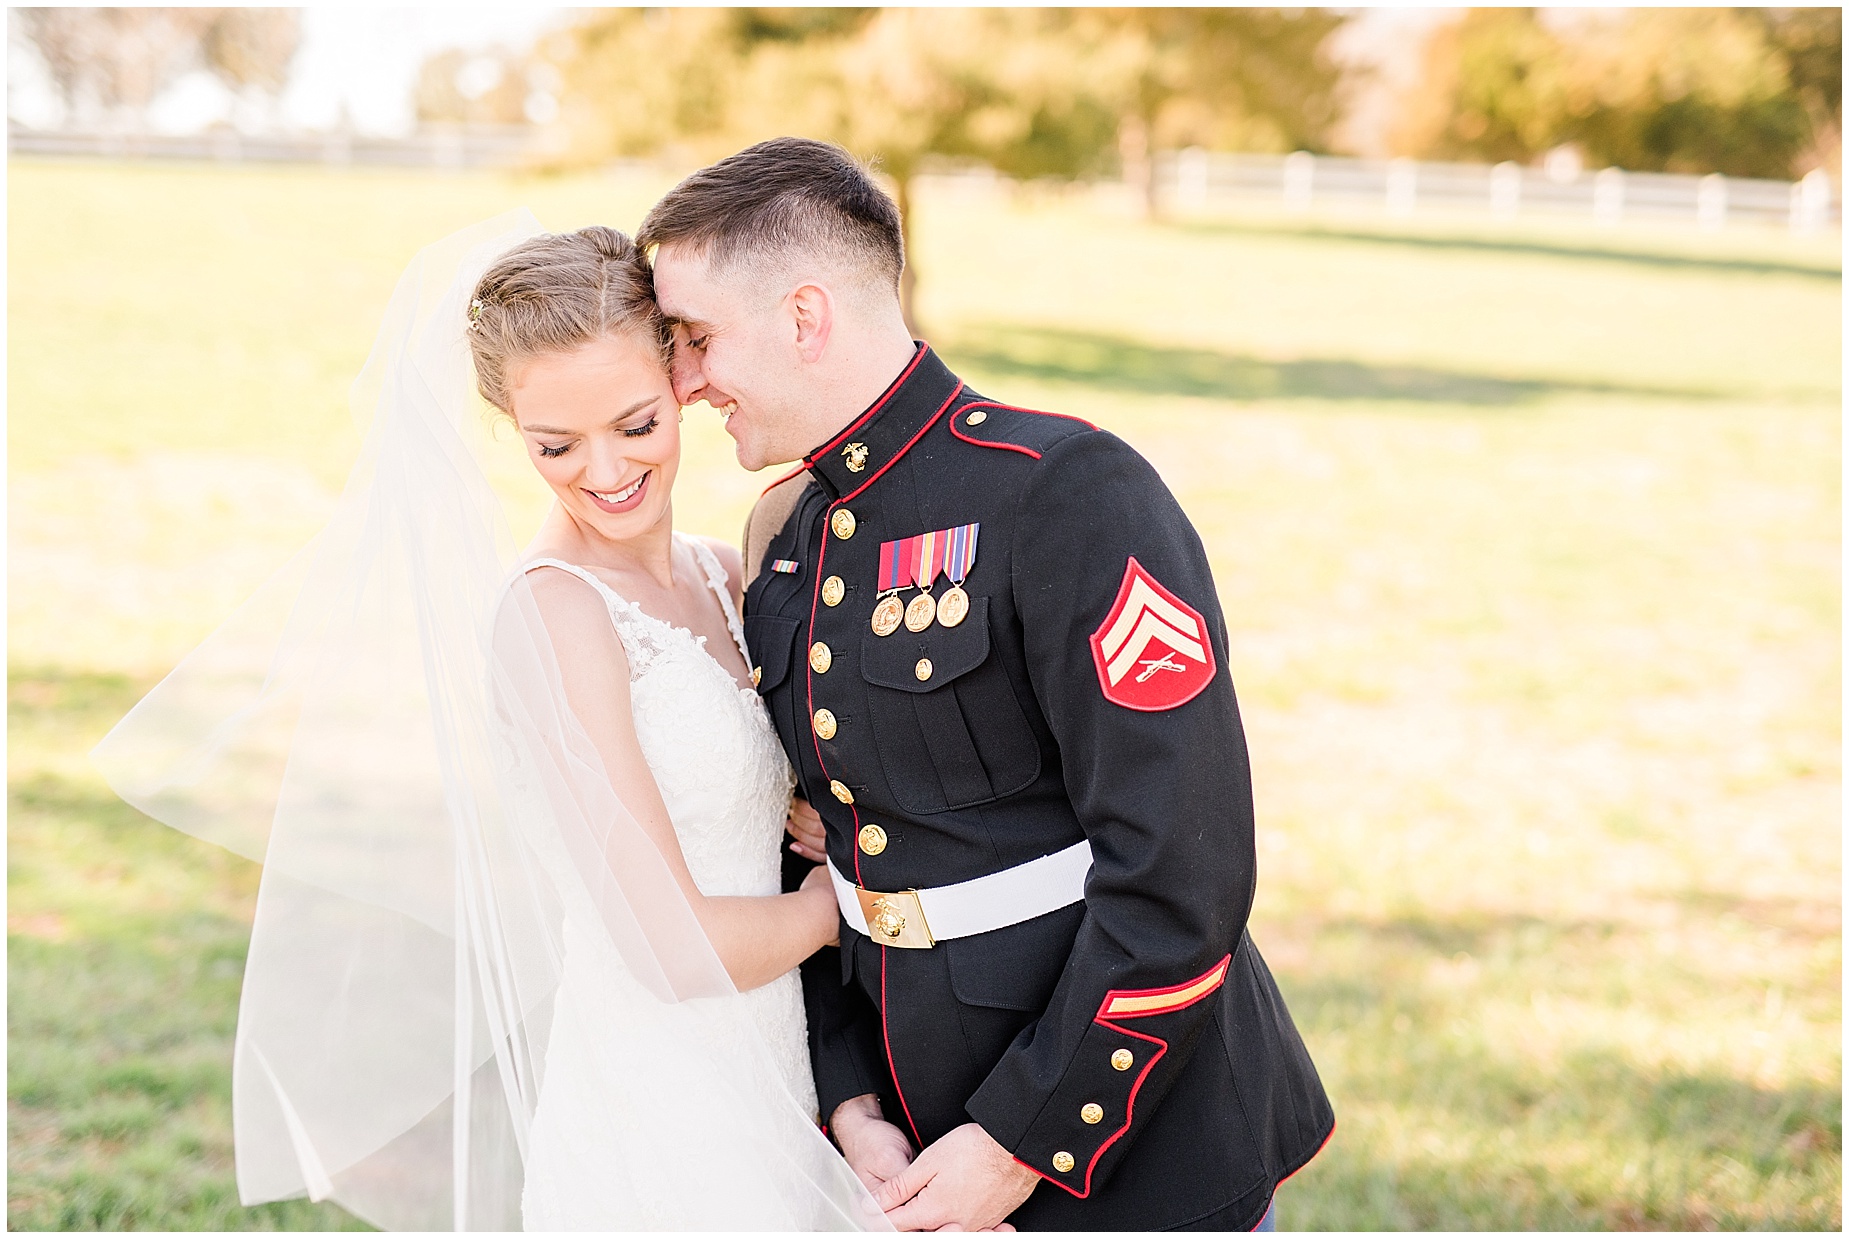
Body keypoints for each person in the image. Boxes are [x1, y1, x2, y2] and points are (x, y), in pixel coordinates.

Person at [93, 215, 884, 1230]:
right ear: (508, 425)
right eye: (555, 444)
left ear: (682, 378)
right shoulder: (553, 617)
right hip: (665, 1095)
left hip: (783, 1055)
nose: (604, 473)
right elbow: (671, 948)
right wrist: (846, 895)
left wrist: (807, 816)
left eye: (636, 424)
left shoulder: (722, 573)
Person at [641, 137, 1335, 1231]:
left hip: (1129, 1130)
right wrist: (848, 1096)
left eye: (695, 339)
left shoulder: (1065, 493)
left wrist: (1025, 1139)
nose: (680, 383)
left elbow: (1181, 871)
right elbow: (816, 845)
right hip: (904, 1135)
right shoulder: (787, 539)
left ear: (804, 316)